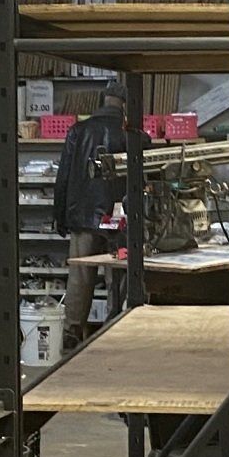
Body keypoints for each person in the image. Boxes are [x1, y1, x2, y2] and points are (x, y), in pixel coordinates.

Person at [53, 78, 128, 343]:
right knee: (116, 279)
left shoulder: (78, 130)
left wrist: (60, 217)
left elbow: (63, 177)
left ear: (103, 100)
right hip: (120, 222)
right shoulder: (130, 133)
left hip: (82, 216)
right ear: (125, 105)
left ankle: (72, 334)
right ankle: (114, 332)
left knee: (80, 279)